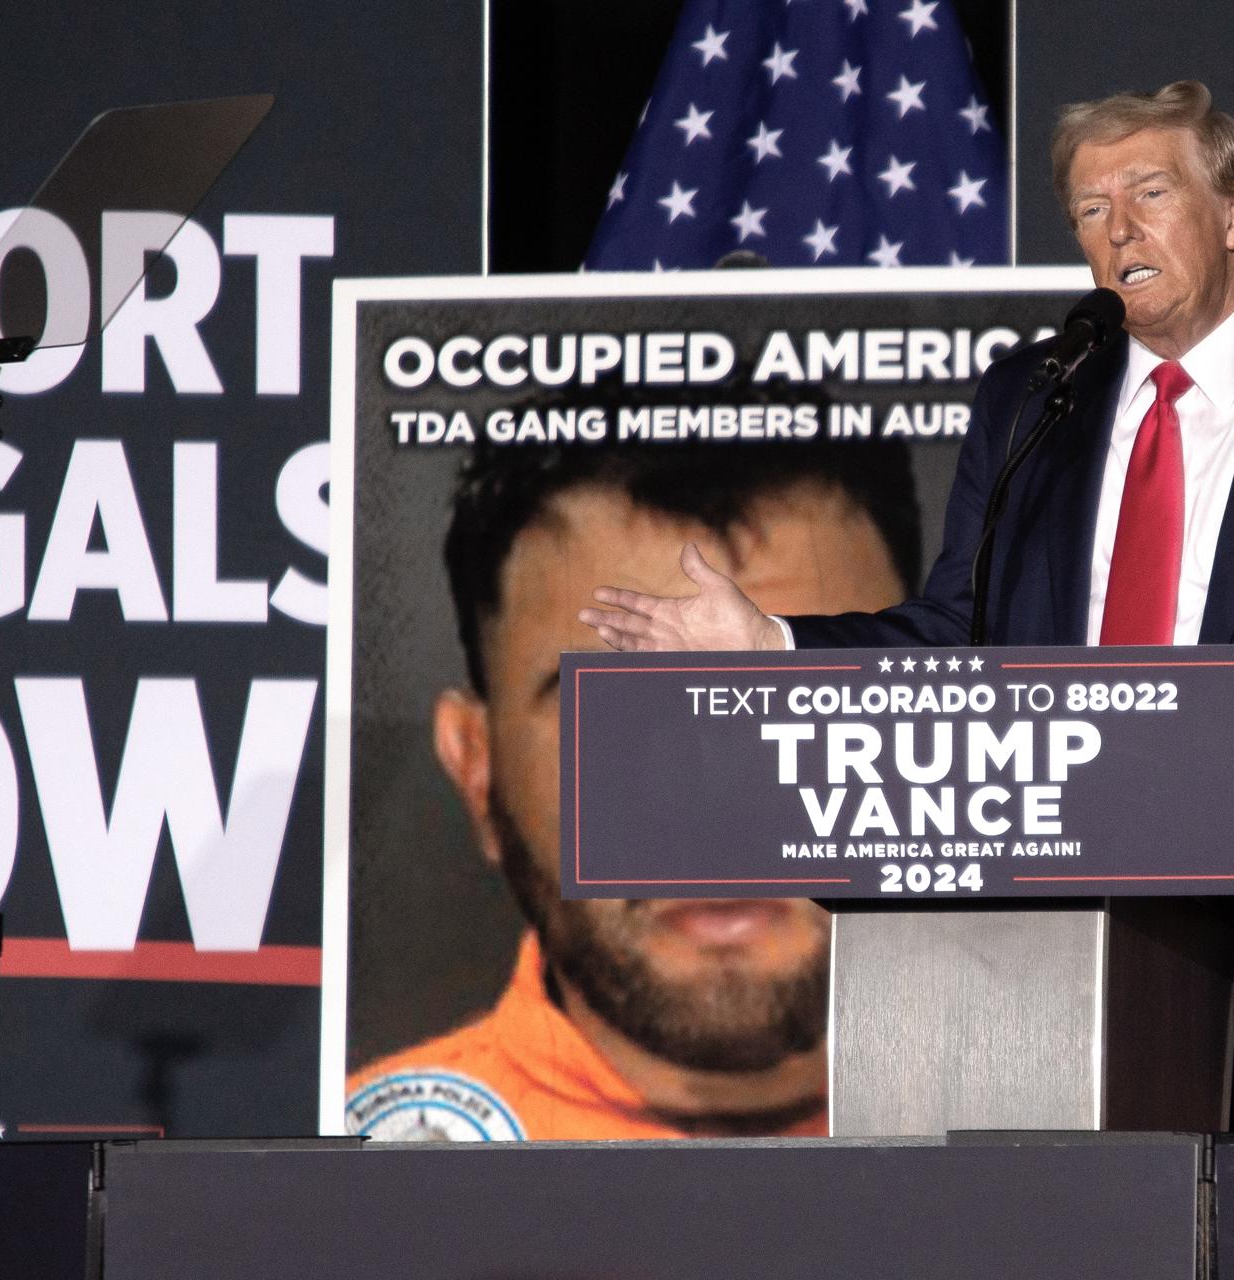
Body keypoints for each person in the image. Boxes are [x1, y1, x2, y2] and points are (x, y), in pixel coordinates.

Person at [578, 80, 1234, 1137]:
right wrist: (769, 639)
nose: (1118, 228)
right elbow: (962, 626)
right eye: (1090, 209)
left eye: (1149, 192)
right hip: (1044, 968)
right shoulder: (1035, 397)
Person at [347, 437, 920, 1140]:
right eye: (620, 710)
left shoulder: (1074, 1134)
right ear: (477, 765)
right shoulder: (333, 1193)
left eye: (799, 697)